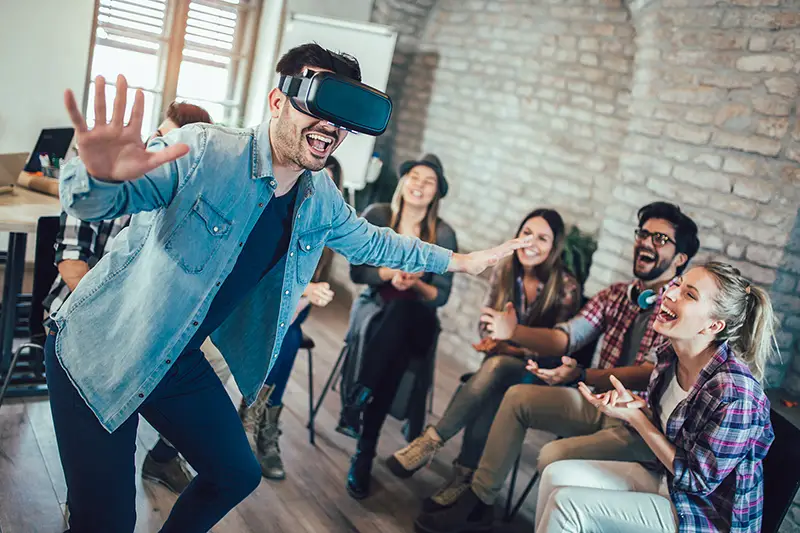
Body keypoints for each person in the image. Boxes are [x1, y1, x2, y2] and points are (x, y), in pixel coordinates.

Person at [51, 43, 531, 533]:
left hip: (177, 359)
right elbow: (105, 199)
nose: (331, 125)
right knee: (104, 521)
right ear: (278, 102)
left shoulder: (320, 197)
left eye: (342, 116)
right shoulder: (203, 150)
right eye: (317, 103)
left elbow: (374, 242)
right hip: (101, 348)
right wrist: (97, 178)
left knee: (236, 474)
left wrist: (459, 261)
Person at [413, 201, 700, 532]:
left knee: (551, 453)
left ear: (680, 260)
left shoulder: (676, 311)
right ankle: (480, 501)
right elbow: (566, 337)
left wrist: (583, 375)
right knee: (518, 397)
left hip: (638, 423)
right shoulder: (617, 295)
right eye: (643, 233)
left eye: (661, 239)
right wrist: (514, 332)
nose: (647, 242)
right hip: (596, 402)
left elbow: (649, 371)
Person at [43, 101, 219, 495]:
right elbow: (72, 268)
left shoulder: (183, 198)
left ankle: (161, 458)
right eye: (158, 138)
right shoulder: (111, 185)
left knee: (215, 368)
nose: (155, 151)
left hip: (143, 333)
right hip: (84, 323)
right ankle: (90, 494)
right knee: (104, 492)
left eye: (169, 146)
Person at [535, 262, 775, 533]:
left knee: (568, 506)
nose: (671, 293)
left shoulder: (735, 393)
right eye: (678, 285)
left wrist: (637, 419)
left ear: (713, 325)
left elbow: (698, 481)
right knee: (556, 474)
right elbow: (674, 437)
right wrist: (638, 409)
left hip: (702, 514)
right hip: (666, 480)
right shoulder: (670, 356)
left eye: (690, 295)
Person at [387, 208, 581, 511]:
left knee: (498, 368)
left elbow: (555, 348)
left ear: (554, 247)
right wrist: (496, 339)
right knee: (494, 388)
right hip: (500, 364)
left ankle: (431, 441)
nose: (531, 243)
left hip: (540, 373)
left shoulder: (566, 287)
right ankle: (463, 477)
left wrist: (509, 343)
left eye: (542, 238)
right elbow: (485, 322)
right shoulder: (505, 271)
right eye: (527, 233)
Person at [336, 153, 458, 500]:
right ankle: (365, 450)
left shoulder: (443, 234)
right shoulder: (378, 216)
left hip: (418, 317)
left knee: (403, 315)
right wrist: (391, 273)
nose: (419, 185)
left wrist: (415, 283)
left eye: (428, 181)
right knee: (392, 346)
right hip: (377, 306)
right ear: (403, 182)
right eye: (414, 176)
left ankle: (359, 397)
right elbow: (358, 273)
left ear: (437, 193)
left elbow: (440, 296)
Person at [239, 155, 343, 481]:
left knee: (290, 333)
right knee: (288, 335)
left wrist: (307, 292)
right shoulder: (272, 207)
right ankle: (263, 424)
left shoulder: (325, 226)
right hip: (253, 303)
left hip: (291, 312)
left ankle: (255, 410)